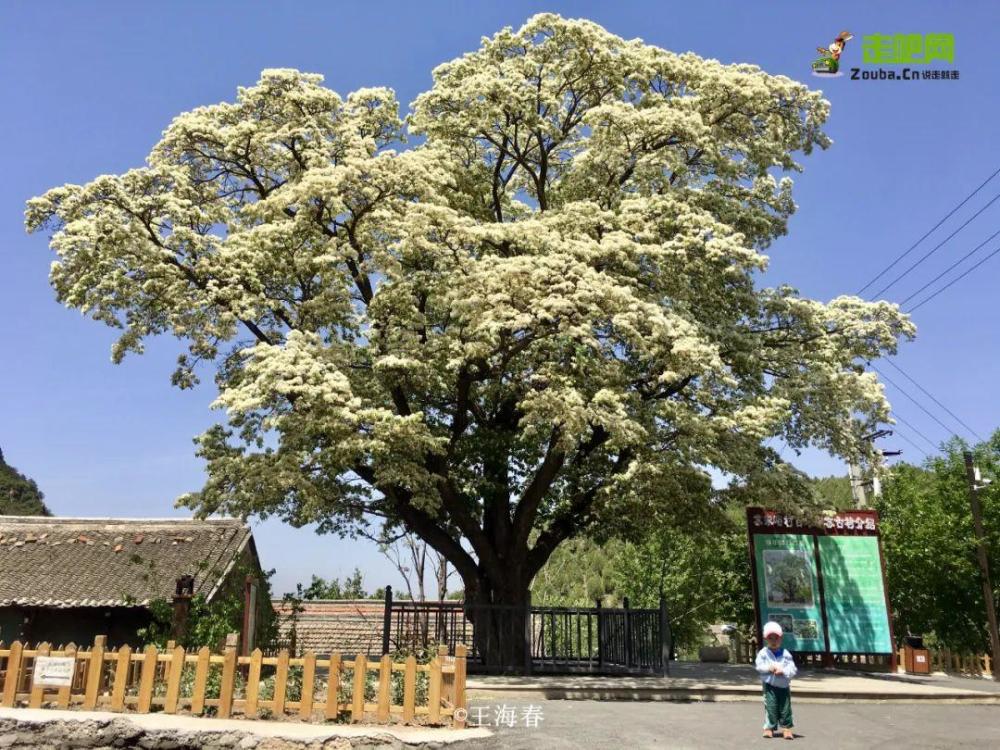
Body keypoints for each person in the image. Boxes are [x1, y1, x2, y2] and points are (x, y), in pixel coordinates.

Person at [755, 621, 798, 739]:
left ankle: (786, 728)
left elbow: (793, 669)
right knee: (771, 707)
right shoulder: (763, 653)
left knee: (785, 708)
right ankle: (769, 728)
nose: (774, 641)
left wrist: (783, 670)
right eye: (770, 638)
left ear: (781, 638)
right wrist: (768, 668)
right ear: (766, 639)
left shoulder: (786, 654)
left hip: (783, 686)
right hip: (770, 685)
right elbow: (759, 666)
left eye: (776, 638)